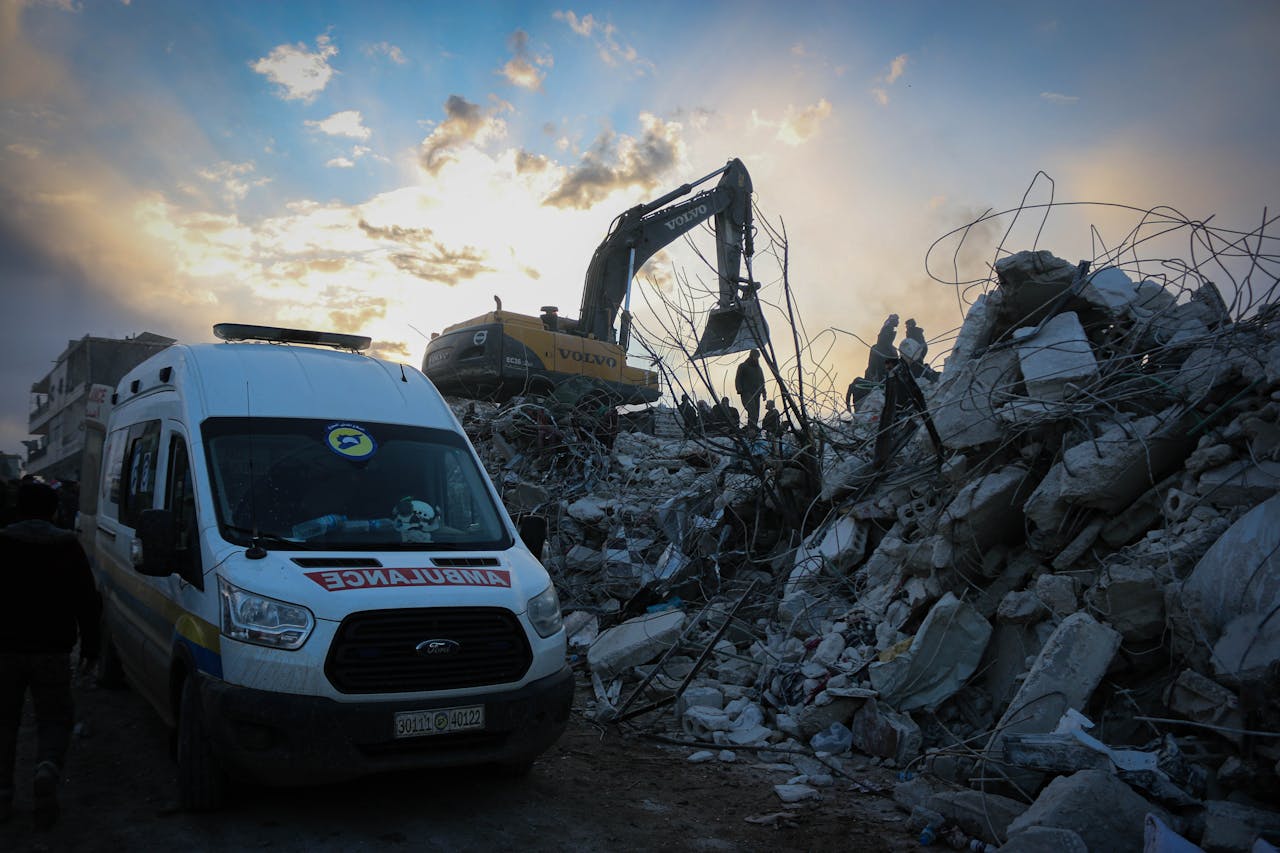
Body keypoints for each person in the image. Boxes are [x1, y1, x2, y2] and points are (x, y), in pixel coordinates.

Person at [0, 481, 100, 829]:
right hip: (53, 652)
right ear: (54, 510)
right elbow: (88, 602)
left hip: (5, 651)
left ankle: (3, 793)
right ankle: (47, 768)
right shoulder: (68, 547)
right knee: (55, 719)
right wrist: (90, 647)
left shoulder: (3, 542)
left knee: (5, 723)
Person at [734, 350, 766, 429]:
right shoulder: (743, 366)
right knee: (752, 412)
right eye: (755, 356)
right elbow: (738, 378)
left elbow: (762, 381)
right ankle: (751, 429)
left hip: (756, 393)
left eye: (757, 357)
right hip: (746, 392)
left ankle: (752, 430)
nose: (756, 358)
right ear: (751, 356)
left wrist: (764, 392)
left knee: (756, 414)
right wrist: (739, 389)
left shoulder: (759, 368)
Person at [866, 314, 899, 383]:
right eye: (897, 320)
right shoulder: (888, 327)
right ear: (893, 320)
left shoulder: (888, 326)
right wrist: (889, 346)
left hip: (884, 347)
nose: (898, 322)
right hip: (883, 348)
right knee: (895, 360)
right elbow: (882, 339)